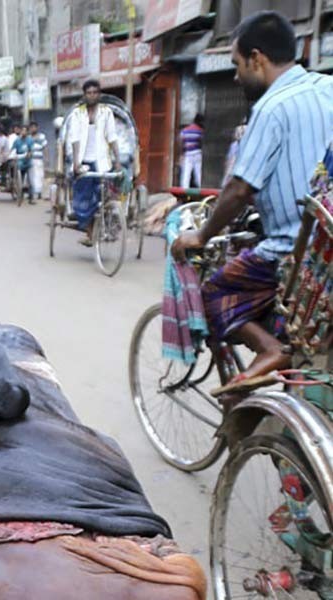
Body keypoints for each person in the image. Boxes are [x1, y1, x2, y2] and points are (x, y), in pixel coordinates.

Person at [171, 10, 333, 393]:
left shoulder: (272, 107)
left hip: (294, 253)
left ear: (257, 59)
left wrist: (203, 234)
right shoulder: (327, 88)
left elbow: (240, 187)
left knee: (214, 291)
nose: (235, 75)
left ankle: (270, 348)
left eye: (237, 64)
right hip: (328, 247)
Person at [67, 79, 121, 246]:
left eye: (95, 92)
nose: (92, 95)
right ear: (85, 95)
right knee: (84, 198)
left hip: (102, 161)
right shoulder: (77, 113)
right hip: (84, 162)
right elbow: (74, 138)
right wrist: (76, 163)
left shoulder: (106, 112)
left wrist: (117, 160)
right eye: (89, 93)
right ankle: (90, 232)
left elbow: (112, 137)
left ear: (99, 94)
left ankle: (108, 222)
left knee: (105, 193)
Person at [179, 113, 204, 188]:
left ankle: (184, 190)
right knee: (198, 173)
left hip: (188, 153)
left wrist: (182, 153)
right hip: (197, 153)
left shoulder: (185, 130)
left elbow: (181, 142)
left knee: (186, 173)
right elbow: (201, 143)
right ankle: (200, 188)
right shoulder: (200, 131)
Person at [11, 126, 34, 202]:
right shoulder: (17, 141)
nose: (23, 132)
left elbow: (31, 150)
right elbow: (13, 149)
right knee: (20, 178)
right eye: (22, 131)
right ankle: (20, 194)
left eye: (25, 131)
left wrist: (29, 154)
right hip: (20, 161)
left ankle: (31, 197)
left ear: (27, 132)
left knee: (30, 180)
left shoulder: (30, 140)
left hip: (28, 161)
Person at [28, 121, 48, 201]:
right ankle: (33, 192)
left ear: (37, 128)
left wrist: (46, 158)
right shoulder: (28, 138)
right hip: (31, 159)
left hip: (39, 159)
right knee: (32, 176)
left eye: (34, 127)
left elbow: (45, 147)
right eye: (31, 127)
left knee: (40, 176)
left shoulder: (42, 137)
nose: (33, 129)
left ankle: (39, 193)